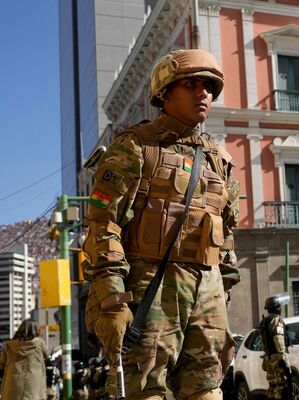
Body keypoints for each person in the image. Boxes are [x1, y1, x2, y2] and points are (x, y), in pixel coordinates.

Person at [82, 48, 241, 400]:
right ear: (165, 93)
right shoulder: (136, 147)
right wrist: (111, 297)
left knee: (207, 386)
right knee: (143, 389)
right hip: (150, 286)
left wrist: (224, 286)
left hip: (207, 291)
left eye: (210, 87)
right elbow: (101, 223)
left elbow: (225, 233)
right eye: (192, 83)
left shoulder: (220, 160)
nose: (204, 93)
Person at [0, 319, 48, 400]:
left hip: (12, 385)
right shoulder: (40, 344)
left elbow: (1, 363)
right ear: (36, 329)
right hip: (34, 386)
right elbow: (46, 355)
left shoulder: (9, 345)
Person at [259, 295, 290, 400]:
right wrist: (283, 357)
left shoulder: (265, 321)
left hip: (269, 358)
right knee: (281, 386)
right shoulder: (276, 321)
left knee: (272, 386)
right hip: (277, 358)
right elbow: (279, 339)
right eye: (279, 306)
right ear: (277, 307)